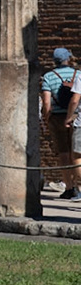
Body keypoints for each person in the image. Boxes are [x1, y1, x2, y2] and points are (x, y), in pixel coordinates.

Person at [43, 47, 80, 201]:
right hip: (76, 116)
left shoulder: (48, 76)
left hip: (57, 117)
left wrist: (46, 118)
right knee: (76, 153)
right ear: (68, 59)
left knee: (63, 153)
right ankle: (78, 186)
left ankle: (70, 187)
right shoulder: (77, 74)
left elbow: (46, 102)